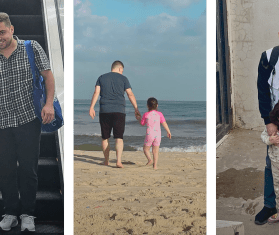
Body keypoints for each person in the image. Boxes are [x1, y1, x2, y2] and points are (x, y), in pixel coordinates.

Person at [0, 13, 55, 232]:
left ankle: (28, 214)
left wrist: (48, 104)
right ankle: (10, 212)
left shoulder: (31, 48)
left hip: (28, 119)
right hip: (2, 122)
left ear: (11, 29)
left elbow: (48, 76)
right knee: (5, 170)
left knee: (28, 169)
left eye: (2, 32)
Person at [89, 60, 140, 168]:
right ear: (120, 69)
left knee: (105, 137)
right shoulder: (124, 78)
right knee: (119, 137)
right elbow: (130, 94)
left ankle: (106, 161)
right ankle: (118, 161)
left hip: (104, 110)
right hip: (119, 111)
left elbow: (96, 93)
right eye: (122, 70)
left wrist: (91, 107)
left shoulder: (101, 77)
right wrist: (136, 108)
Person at [255, 46, 279, 225]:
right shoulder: (269, 57)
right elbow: (262, 89)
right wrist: (268, 121)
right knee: (271, 164)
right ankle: (270, 204)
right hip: (275, 120)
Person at [137, 97, 171, 169]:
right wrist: (168, 131)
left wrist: (139, 118)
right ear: (157, 105)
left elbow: (142, 123)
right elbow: (164, 123)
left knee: (146, 149)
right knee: (155, 151)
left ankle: (150, 160)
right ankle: (155, 166)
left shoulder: (146, 114)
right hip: (158, 135)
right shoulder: (160, 114)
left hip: (149, 134)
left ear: (147, 106)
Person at [261, 102, 279, 224]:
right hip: (276, 164)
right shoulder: (272, 129)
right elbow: (262, 137)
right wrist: (270, 140)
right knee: (277, 189)